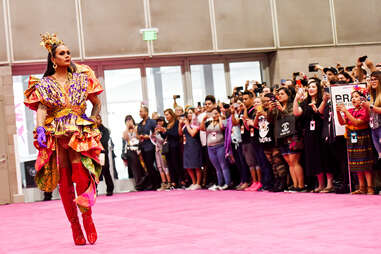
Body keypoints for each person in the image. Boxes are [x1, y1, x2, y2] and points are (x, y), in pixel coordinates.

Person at [24, 33, 102, 245]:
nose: (67, 56)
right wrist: (40, 129)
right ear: (53, 59)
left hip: (78, 130)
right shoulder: (44, 83)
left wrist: (93, 119)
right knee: (65, 182)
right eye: (62, 53)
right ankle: (75, 226)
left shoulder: (81, 77)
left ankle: (88, 220)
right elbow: (41, 108)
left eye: (68, 52)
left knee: (82, 175)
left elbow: (96, 102)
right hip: (56, 132)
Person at [293, 78, 333, 193]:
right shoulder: (305, 102)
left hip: (322, 131)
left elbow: (322, 114)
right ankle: (320, 184)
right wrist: (296, 99)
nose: (311, 89)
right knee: (314, 158)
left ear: (318, 89)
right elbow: (296, 112)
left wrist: (321, 105)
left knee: (325, 157)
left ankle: (329, 183)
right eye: (309, 87)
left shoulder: (323, 99)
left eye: (313, 87)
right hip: (310, 134)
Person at [336, 88, 375, 194]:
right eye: (352, 97)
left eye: (356, 97)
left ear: (362, 99)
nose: (353, 99)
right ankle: (361, 187)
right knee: (356, 163)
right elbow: (342, 122)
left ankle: (370, 187)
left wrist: (345, 112)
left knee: (365, 163)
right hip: (352, 138)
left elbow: (357, 122)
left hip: (363, 137)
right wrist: (338, 112)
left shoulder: (365, 110)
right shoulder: (351, 110)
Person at [269, 87, 305, 192]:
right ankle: (295, 185)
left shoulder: (291, 105)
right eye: (278, 94)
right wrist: (271, 110)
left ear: (288, 95)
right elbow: (270, 120)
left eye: (282, 94)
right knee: (289, 162)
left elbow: (294, 117)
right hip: (281, 138)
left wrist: (282, 110)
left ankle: (301, 185)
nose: (279, 96)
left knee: (295, 161)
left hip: (292, 136)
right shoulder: (276, 107)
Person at [201, 107, 231, 190]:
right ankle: (220, 183)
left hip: (220, 146)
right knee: (216, 167)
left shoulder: (223, 121)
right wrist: (203, 120)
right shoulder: (209, 123)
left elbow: (222, 127)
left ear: (219, 113)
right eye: (213, 114)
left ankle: (227, 183)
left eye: (216, 113)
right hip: (210, 147)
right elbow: (202, 129)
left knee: (223, 165)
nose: (215, 115)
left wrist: (220, 118)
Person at [122, 115, 148, 191]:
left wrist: (133, 128)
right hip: (130, 149)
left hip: (139, 148)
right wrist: (127, 128)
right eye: (127, 121)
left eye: (130, 120)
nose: (129, 122)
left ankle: (145, 184)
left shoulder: (137, 128)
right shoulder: (125, 131)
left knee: (143, 166)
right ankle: (138, 185)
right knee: (135, 168)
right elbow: (126, 139)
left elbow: (138, 137)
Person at [179, 107, 203, 190]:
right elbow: (180, 133)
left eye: (190, 112)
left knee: (196, 165)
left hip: (194, 145)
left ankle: (198, 183)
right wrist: (180, 124)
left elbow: (193, 134)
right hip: (186, 146)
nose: (189, 114)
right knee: (188, 166)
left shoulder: (195, 123)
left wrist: (187, 125)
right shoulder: (186, 123)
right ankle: (193, 182)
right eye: (188, 113)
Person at [137, 106, 160, 189]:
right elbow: (138, 134)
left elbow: (157, 132)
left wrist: (149, 136)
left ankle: (157, 183)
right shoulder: (139, 124)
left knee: (151, 165)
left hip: (151, 146)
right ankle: (152, 183)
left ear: (146, 112)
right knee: (147, 166)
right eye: (139, 112)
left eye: (141, 111)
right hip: (143, 146)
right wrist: (140, 136)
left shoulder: (152, 122)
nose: (140, 113)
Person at [362, 71, 381, 160]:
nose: (372, 81)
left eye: (375, 79)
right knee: (380, 155)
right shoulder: (372, 95)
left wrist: (370, 106)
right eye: (371, 80)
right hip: (374, 128)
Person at [163, 108, 183, 188]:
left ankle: (181, 181)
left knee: (176, 164)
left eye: (167, 114)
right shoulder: (167, 124)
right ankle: (173, 182)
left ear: (171, 114)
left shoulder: (176, 122)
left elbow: (176, 134)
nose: (166, 116)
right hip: (168, 147)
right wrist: (162, 131)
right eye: (165, 115)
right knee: (170, 165)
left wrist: (166, 131)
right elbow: (165, 136)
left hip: (175, 146)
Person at [151, 117, 172, 191]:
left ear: (163, 121)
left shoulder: (165, 129)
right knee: (159, 167)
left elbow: (163, 140)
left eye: (161, 121)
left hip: (163, 150)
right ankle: (164, 183)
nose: (159, 123)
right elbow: (153, 140)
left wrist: (158, 133)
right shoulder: (156, 130)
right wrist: (153, 135)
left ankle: (169, 182)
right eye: (158, 121)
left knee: (165, 166)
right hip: (157, 149)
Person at [96, 115, 114, 196]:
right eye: (95, 119)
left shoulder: (105, 130)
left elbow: (104, 141)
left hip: (102, 154)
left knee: (106, 171)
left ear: (101, 120)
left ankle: (110, 189)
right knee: (94, 173)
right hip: (94, 154)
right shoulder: (91, 130)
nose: (97, 121)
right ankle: (93, 191)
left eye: (98, 119)